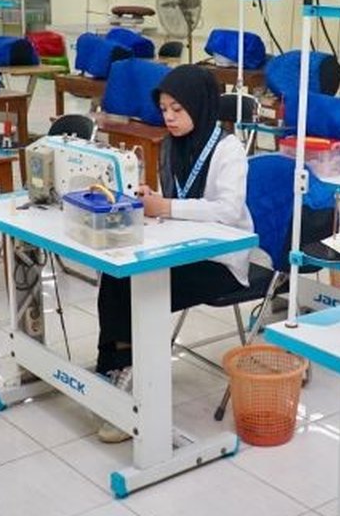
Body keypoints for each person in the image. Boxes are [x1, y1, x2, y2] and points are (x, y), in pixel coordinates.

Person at [94, 65, 251, 442]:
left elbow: (228, 211)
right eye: (164, 109)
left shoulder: (228, 150)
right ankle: (114, 367)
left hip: (220, 260)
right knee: (116, 273)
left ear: (200, 105)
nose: (169, 117)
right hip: (181, 246)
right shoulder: (171, 146)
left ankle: (127, 380)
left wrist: (165, 208)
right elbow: (176, 201)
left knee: (135, 285)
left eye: (177, 109)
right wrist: (150, 199)